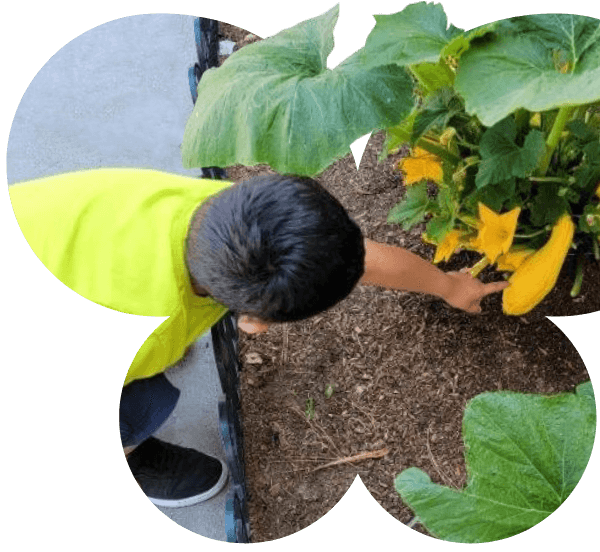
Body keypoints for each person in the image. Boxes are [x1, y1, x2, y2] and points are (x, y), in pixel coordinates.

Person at [10, 169, 508, 508]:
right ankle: (135, 453)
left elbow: (356, 257)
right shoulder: (147, 327)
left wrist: (449, 286)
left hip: (46, 222)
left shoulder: (228, 215)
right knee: (135, 403)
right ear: (253, 322)